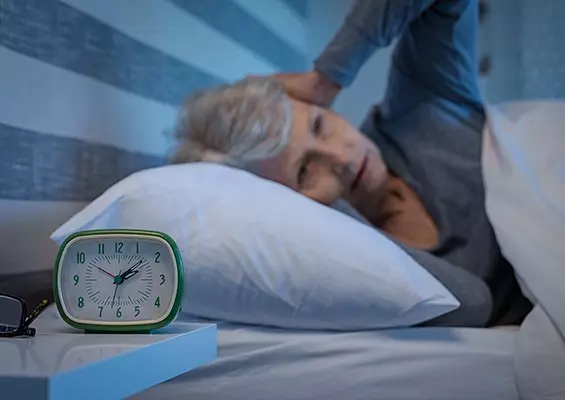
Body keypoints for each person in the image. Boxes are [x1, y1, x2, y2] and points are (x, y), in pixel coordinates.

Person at [170, 0, 529, 327]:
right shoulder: (352, 271)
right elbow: (473, 302)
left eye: (319, 126)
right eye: (304, 171)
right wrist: (328, 216)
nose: (342, 158)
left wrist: (326, 76)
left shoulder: (424, 108)